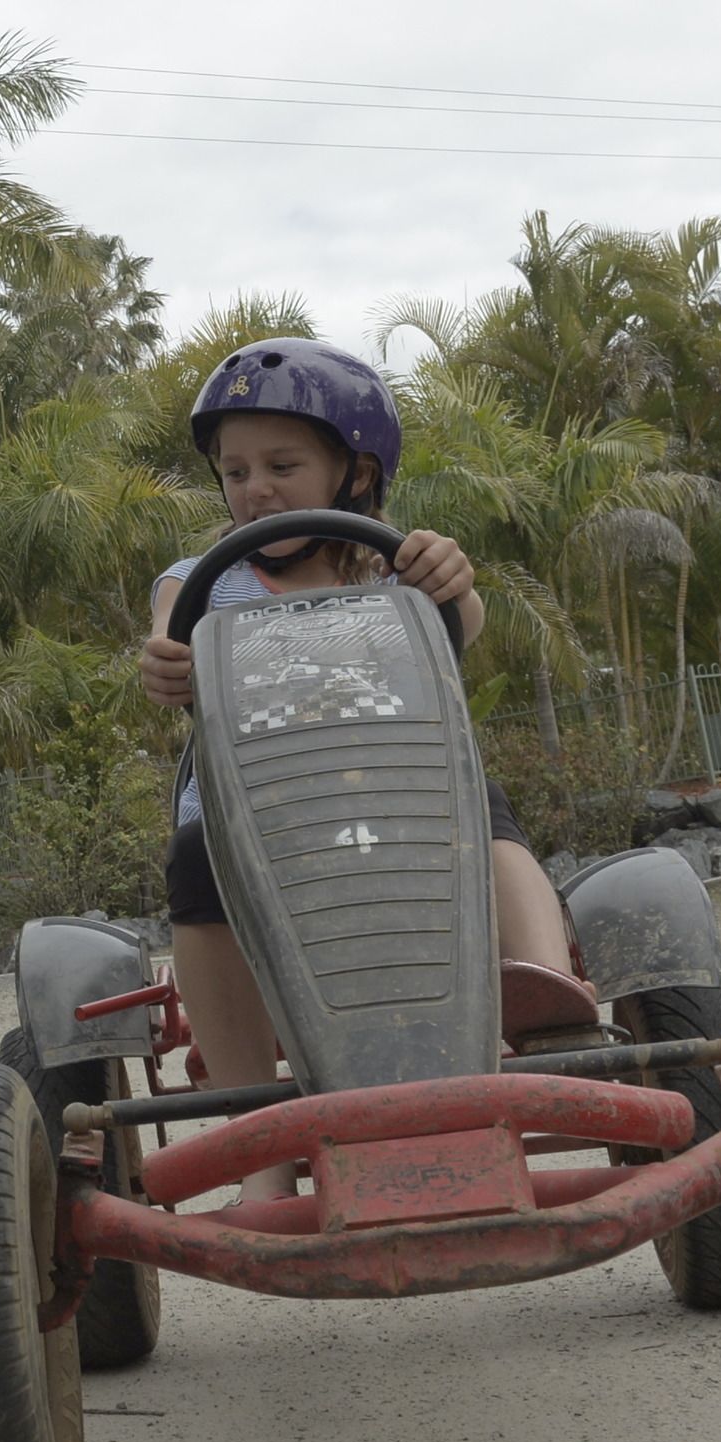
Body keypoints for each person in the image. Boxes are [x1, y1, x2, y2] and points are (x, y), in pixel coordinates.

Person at [136, 339, 577, 1195]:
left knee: (477, 813)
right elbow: (165, 645)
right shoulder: (199, 581)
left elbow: (467, 622)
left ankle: (547, 1009)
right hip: (251, 811)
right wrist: (163, 667)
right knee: (197, 857)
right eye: (234, 471)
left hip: (397, 791)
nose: (253, 488)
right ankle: (255, 1130)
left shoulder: (397, 571)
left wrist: (451, 579)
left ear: (357, 472)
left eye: (282, 464)